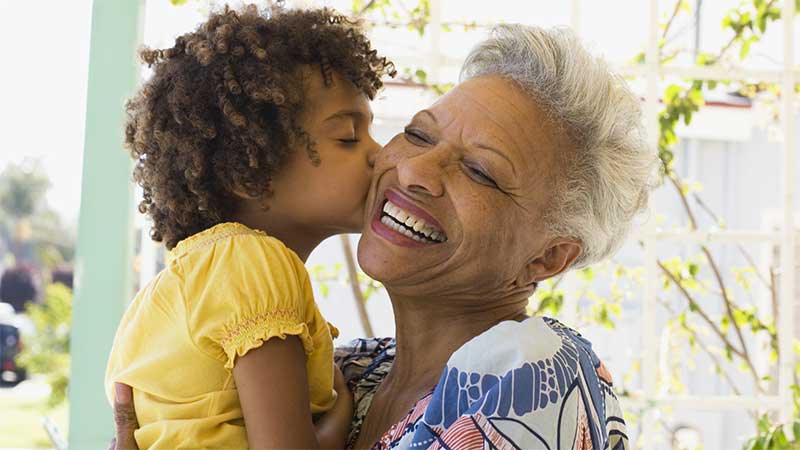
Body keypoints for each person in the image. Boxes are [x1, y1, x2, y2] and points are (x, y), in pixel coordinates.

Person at [112, 23, 656, 450]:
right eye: (419, 133)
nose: (414, 169)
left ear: (548, 257)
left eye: (481, 172)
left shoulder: (530, 374)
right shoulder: (348, 368)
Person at [104, 5, 394, 449]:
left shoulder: (176, 288)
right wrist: (342, 419)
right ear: (248, 170)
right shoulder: (256, 264)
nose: (379, 154)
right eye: (348, 138)